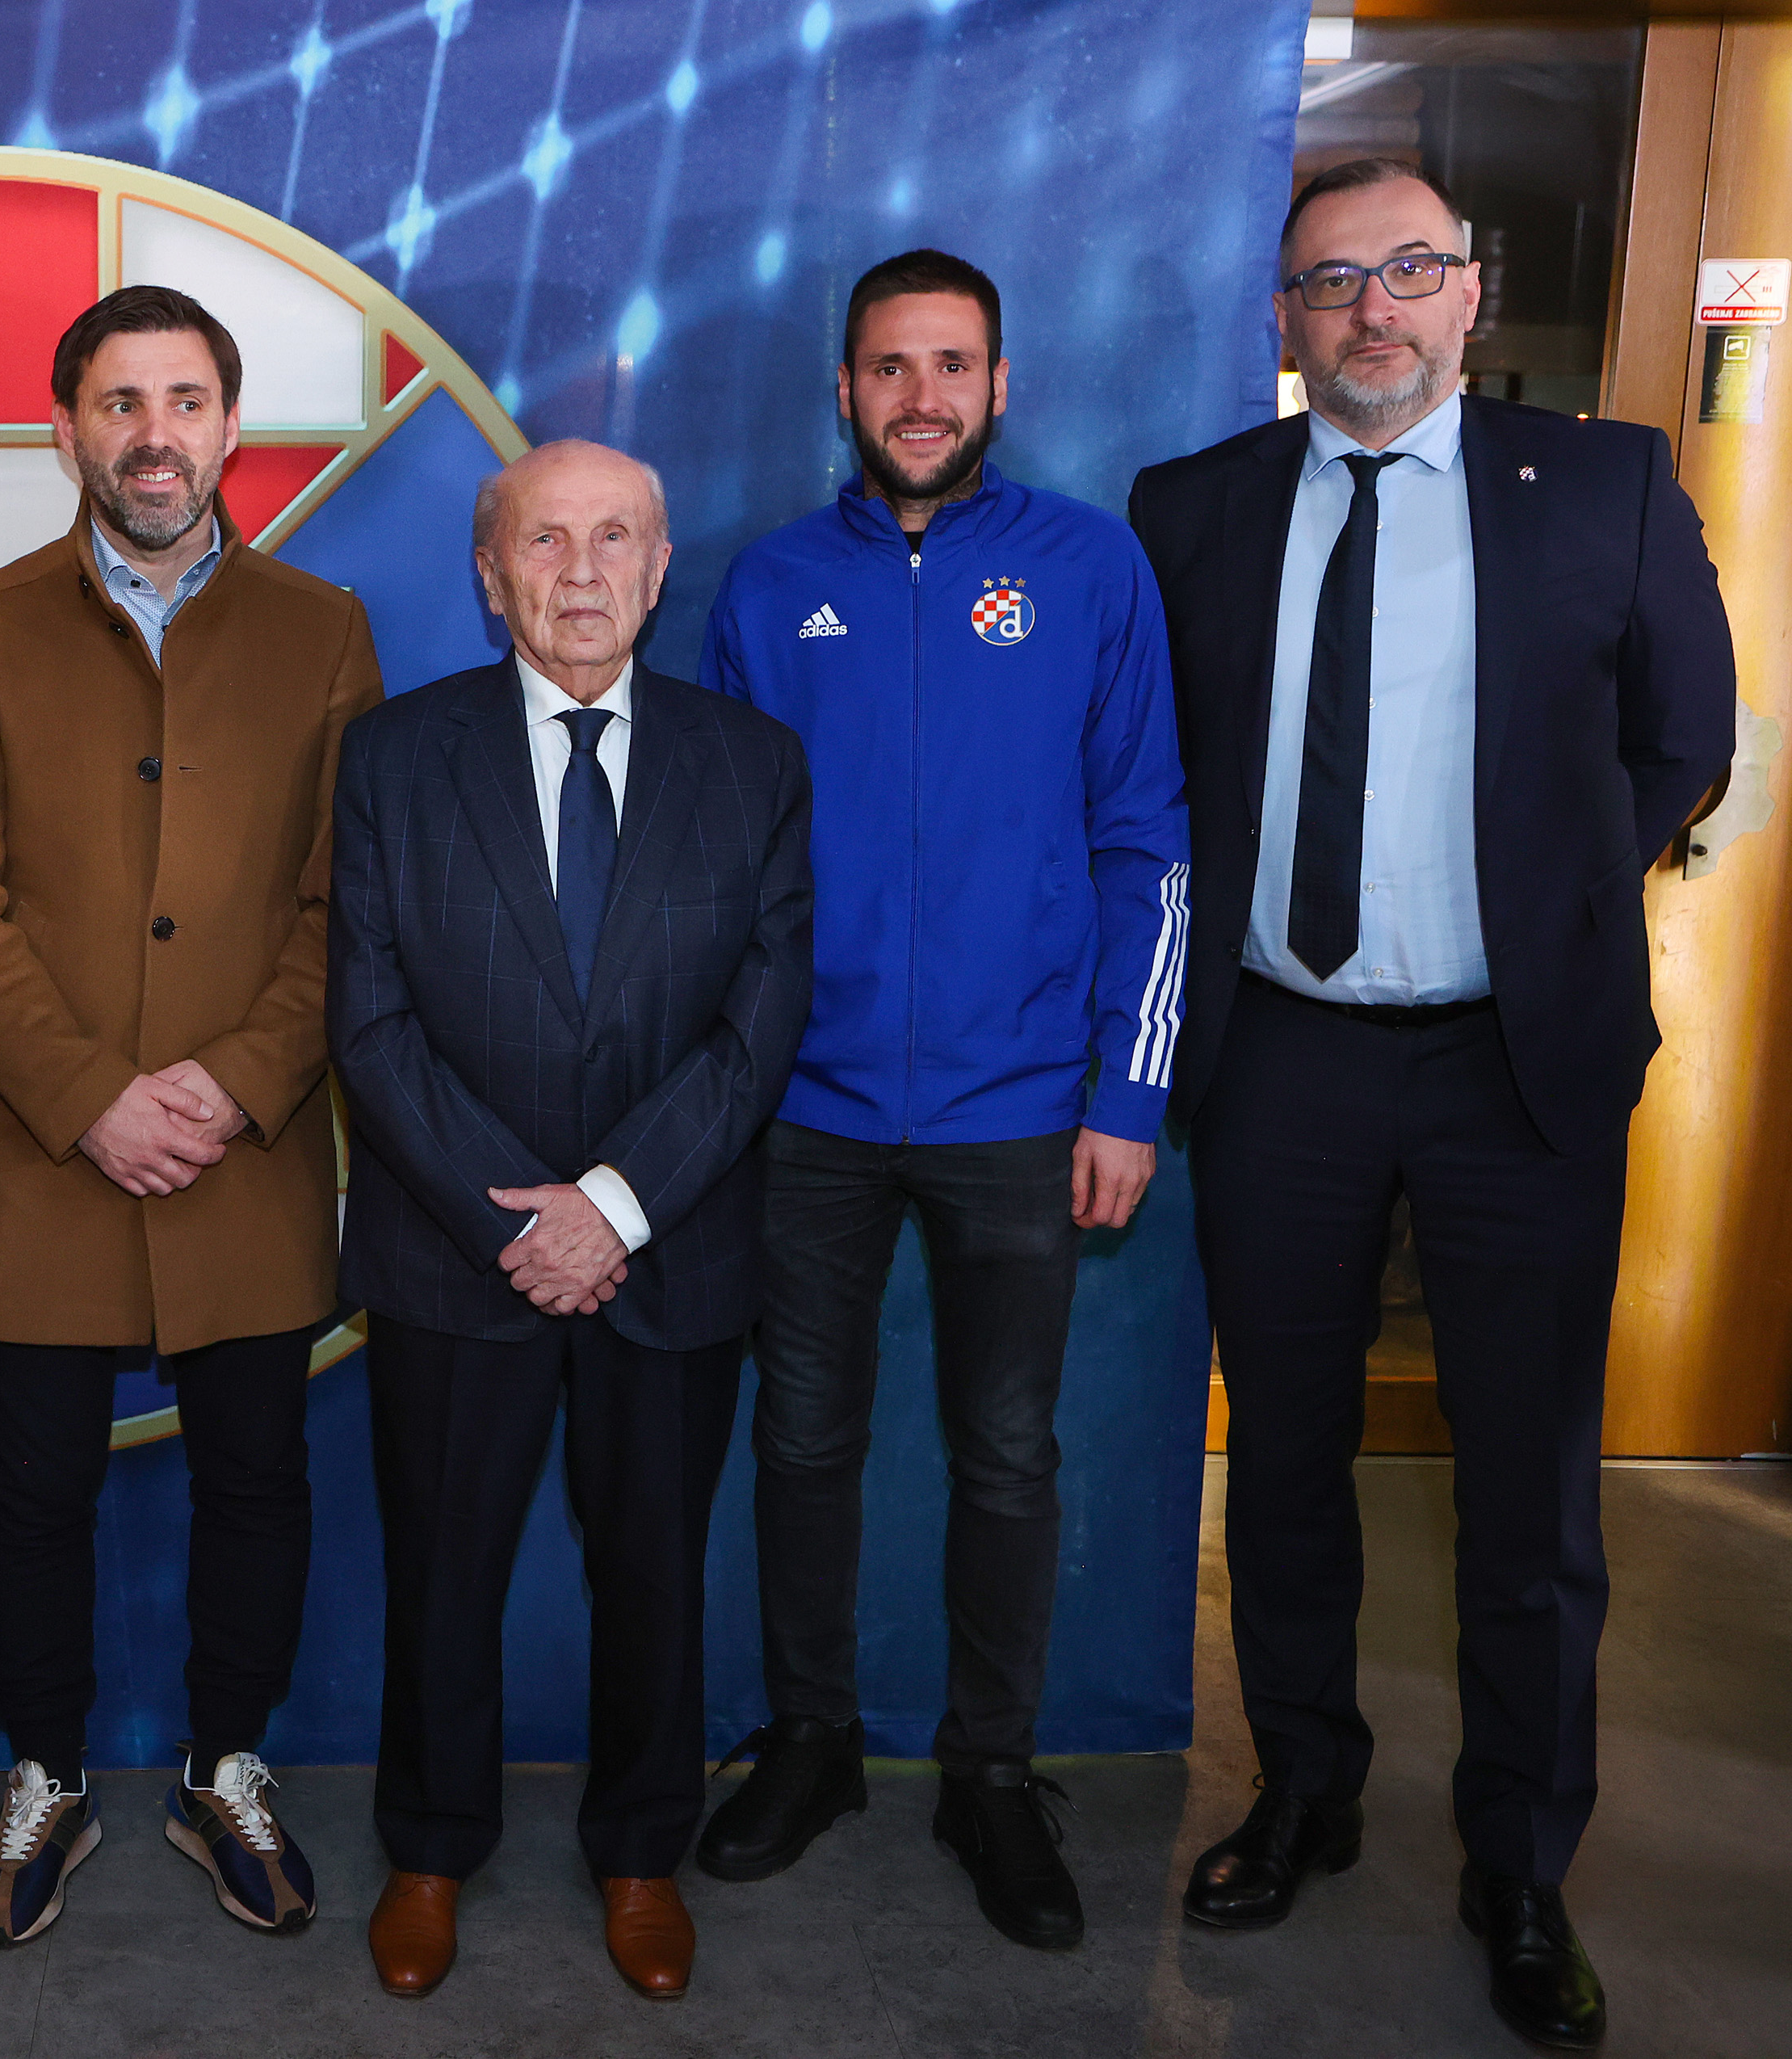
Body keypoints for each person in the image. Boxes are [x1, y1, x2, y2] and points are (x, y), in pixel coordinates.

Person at [1129, 159, 1732, 2052]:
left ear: (1468, 291)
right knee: (1282, 1457)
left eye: (1406, 270)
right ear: (1282, 317)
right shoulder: (1190, 509)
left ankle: (1517, 1864)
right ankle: (1301, 1790)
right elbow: (1150, 768)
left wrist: (1556, 894)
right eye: (1330, 281)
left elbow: (1683, 731)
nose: (1369, 309)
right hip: (1278, 1053)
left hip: (1513, 1062)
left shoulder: (1606, 484)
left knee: (1527, 1487)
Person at [693, 249, 1189, 1952]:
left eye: (951, 365)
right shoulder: (769, 585)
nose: (921, 397)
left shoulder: (1089, 568)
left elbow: (1146, 840)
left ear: (999, 385)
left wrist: (1128, 1091)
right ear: (844, 390)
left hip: (1020, 1106)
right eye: (889, 368)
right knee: (800, 1438)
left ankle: (989, 1769)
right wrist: (728, 1088)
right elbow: (717, 867)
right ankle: (812, 1739)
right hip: (808, 1110)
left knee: (1006, 1452)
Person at [0, 284, 380, 1946]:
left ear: (230, 427)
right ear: (67, 431)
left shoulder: (324, 630)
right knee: (33, 1497)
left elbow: (346, 901)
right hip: (50, 1155)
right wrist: (89, 1095)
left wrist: (237, 1083)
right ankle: (43, 1774)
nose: (153, 436)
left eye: (184, 402)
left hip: (250, 1155)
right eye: (120, 403)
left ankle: (224, 1766)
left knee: (258, 1481)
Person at [333, 439, 812, 2003]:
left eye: (616, 539)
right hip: (450, 1255)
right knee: (441, 1572)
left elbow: (760, 1021)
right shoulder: (392, 758)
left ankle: (640, 1854)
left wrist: (610, 1207)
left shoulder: (752, 763)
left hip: (668, 1252)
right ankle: (428, 1849)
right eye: (545, 541)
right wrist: (518, 1227)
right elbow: (369, 1023)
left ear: (659, 572)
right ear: (491, 576)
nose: (582, 570)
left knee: (654, 1574)